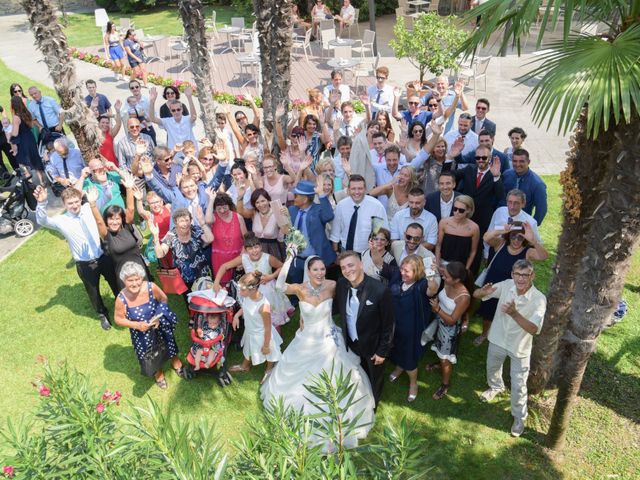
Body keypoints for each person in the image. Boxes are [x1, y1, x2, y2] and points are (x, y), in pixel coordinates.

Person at [265, 253, 375, 448]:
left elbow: (354, 284)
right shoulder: (300, 289)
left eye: (323, 269)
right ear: (308, 271)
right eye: (315, 269)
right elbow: (280, 286)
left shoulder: (333, 285)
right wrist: (289, 259)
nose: (320, 273)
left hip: (328, 339)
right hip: (306, 339)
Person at [474, 260, 547, 437]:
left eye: (525, 275)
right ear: (512, 274)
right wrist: (483, 291)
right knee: (492, 368)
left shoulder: (539, 299)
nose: (520, 279)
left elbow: (534, 329)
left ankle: (519, 417)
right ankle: (496, 387)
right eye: (517, 274)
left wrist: (514, 313)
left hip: (519, 348)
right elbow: (476, 294)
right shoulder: (507, 285)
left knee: (519, 385)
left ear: (532, 276)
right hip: (497, 339)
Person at [34, 185, 119, 330]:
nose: (74, 206)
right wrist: (41, 203)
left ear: (81, 200)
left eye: (76, 201)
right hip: (85, 264)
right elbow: (42, 221)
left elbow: (107, 197)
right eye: (70, 203)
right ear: (64, 204)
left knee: (115, 282)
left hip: (103, 256)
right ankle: (102, 314)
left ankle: (122, 305)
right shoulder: (61, 220)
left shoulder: (88, 208)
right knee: (93, 292)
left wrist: (104, 186)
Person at [335, 250, 395, 406]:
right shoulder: (341, 284)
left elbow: (389, 325)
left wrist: (382, 351)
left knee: (374, 379)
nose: (347, 270)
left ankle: (373, 404)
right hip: (351, 343)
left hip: (372, 346)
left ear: (361, 264)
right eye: (343, 267)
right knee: (357, 375)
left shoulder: (380, 290)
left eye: (351, 265)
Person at [114, 262, 188, 389]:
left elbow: (164, 299)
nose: (134, 283)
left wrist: (159, 316)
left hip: (159, 324)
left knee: (168, 342)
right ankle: (158, 373)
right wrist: (136, 325)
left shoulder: (151, 287)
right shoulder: (121, 298)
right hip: (141, 332)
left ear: (142, 278)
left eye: (137, 279)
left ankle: (175, 362)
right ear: (124, 281)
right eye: (130, 280)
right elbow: (118, 318)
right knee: (150, 353)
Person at [474, 222, 548, 346]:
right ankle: (484, 333)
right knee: (488, 311)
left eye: (520, 237)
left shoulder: (527, 252)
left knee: (507, 312)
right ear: (509, 235)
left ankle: (503, 337)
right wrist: (502, 231)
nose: (516, 240)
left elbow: (543, 256)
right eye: (513, 236)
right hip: (494, 283)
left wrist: (534, 241)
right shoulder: (501, 244)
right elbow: (486, 238)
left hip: (512, 287)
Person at [213, 233, 291, 330]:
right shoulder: (243, 258)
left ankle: (274, 337)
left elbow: (282, 266)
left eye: (256, 247)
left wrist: (271, 276)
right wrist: (216, 282)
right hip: (252, 292)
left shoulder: (268, 258)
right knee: (256, 318)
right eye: (250, 248)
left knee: (272, 317)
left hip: (269, 292)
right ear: (245, 250)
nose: (254, 251)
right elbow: (224, 266)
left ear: (261, 247)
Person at [388, 255, 440, 401]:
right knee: (396, 350)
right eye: (402, 269)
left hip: (411, 331)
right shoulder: (398, 279)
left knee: (409, 359)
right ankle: (399, 367)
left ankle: (413, 383)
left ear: (417, 272)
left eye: (407, 271)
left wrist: (431, 275)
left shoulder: (421, 285)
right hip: (394, 327)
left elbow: (433, 290)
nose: (402, 273)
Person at [87, 172, 148, 290]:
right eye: (110, 219)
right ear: (106, 220)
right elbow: (99, 221)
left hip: (140, 269)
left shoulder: (127, 226)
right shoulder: (107, 235)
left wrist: (129, 189)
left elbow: (130, 209)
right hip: (124, 276)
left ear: (122, 219)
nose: (114, 222)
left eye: (117, 219)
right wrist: (93, 204)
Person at [426, 261, 471, 400]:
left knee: (445, 358)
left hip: (449, 331)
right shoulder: (449, 282)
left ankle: (445, 384)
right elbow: (440, 271)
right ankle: (440, 363)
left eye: (446, 276)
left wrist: (437, 309)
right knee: (439, 349)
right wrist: (433, 268)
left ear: (457, 279)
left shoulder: (463, 297)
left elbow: (452, 320)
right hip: (439, 322)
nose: (444, 278)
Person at [229, 271, 283, 383]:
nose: (239, 291)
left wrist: (267, 345)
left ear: (253, 289)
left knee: (269, 354)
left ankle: (269, 369)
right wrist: (237, 316)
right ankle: (245, 366)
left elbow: (268, 328)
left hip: (262, 335)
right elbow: (245, 307)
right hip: (250, 331)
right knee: (249, 348)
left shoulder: (263, 306)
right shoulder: (248, 296)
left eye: (242, 289)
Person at [150, 208, 213, 295]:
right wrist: (156, 237)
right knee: (191, 302)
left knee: (207, 298)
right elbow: (160, 254)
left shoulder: (196, 230)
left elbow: (210, 239)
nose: (185, 224)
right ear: (175, 222)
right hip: (184, 278)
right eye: (181, 221)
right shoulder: (171, 235)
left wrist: (202, 223)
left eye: (187, 220)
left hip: (202, 274)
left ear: (191, 220)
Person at [283, 179, 336, 284]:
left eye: (296, 195)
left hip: (315, 261)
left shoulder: (318, 210)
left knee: (316, 292)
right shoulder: (292, 210)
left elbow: (329, 215)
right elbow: (288, 231)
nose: (294, 197)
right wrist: (283, 218)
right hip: (296, 260)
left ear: (305, 199)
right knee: (296, 290)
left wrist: (321, 194)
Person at [452, 144, 504, 237]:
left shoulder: (495, 173)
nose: (480, 160)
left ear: (490, 157)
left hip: (483, 220)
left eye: (484, 157)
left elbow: (500, 196)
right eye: (477, 157)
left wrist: (496, 176)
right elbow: (450, 175)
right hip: (465, 216)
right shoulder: (469, 169)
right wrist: (450, 157)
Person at [330, 174, 388, 254]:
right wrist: (336, 252)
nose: (357, 192)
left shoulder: (376, 207)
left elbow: (382, 233)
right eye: (353, 189)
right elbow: (335, 232)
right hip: (346, 252)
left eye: (360, 188)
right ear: (348, 190)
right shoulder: (341, 206)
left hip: (369, 253)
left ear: (365, 189)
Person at [205, 192, 247, 287]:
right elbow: (207, 220)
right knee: (223, 287)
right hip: (219, 259)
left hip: (237, 257)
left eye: (225, 207)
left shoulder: (238, 217)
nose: (222, 211)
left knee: (240, 286)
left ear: (230, 205)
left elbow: (246, 239)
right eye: (219, 208)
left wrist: (242, 257)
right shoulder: (213, 218)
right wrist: (211, 200)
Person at [236, 186, 287, 261]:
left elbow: (286, 231)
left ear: (268, 200)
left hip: (273, 251)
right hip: (256, 251)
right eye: (257, 202)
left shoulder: (277, 211)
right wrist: (240, 197)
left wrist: (286, 217)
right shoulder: (254, 212)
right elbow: (240, 211)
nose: (261, 205)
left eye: (263, 201)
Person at [435, 194, 480, 274]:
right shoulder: (444, 223)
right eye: (455, 209)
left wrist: (466, 269)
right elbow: (438, 245)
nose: (456, 212)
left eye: (461, 210)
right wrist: (438, 265)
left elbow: (473, 251)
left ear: (468, 210)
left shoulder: (474, 228)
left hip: (460, 267)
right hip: (443, 263)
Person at [501, 149, 548, 224]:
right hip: (502, 221)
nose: (518, 164)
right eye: (515, 161)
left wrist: (531, 226)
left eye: (521, 161)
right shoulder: (506, 175)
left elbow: (541, 209)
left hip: (522, 224)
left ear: (528, 162)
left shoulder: (537, 184)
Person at [9, 96, 45, 184]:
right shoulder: (27, 113)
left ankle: (30, 184)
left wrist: (10, 134)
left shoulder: (16, 117)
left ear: (13, 105)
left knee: (22, 163)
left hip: (22, 141)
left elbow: (15, 133)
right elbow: (32, 126)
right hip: (30, 137)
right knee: (35, 159)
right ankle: (42, 182)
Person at [149, 86, 198, 151]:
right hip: (175, 153)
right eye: (173, 110)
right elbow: (153, 119)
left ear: (182, 109)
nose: (176, 112)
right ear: (170, 111)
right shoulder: (167, 121)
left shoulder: (187, 119)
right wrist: (152, 101)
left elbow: (194, 116)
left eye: (178, 109)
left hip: (190, 151)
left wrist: (189, 97)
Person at [97, 102, 122, 166]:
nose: (105, 125)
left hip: (113, 166)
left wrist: (117, 111)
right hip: (100, 167)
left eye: (107, 123)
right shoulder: (94, 135)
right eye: (103, 122)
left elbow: (118, 124)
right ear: (98, 123)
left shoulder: (110, 134)